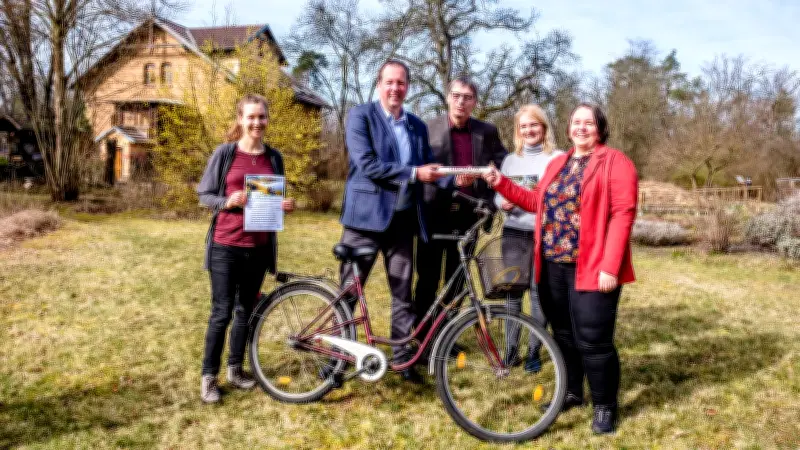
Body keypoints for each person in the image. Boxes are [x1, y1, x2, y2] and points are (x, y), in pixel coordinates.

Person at [481, 103, 638, 434]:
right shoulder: (560, 163)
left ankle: (605, 406)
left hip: (592, 267)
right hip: (552, 264)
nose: (581, 128)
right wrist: (500, 183)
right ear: (568, 129)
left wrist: (610, 267)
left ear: (600, 128)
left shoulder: (615, 162)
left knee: (593, 340)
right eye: (575, 122)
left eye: (588, 123)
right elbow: (537, 201)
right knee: (563, 336)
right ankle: (571, 392)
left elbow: (622, 215)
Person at [339, 59, 447, 383]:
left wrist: (455, 180)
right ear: (379, 84)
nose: (395, 88)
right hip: (364, 222)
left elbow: (430, 168)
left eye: (401, 83)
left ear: (408, 87)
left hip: (402, 223)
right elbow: (369, 165)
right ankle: (338, 361)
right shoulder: (361, 117)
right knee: (348, 293)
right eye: (389, 82)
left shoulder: (417, 125)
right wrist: (414, 173)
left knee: (403, 294)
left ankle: (402, 362)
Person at [196, 94, 295, 403]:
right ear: (240, 119)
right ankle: (208, 377)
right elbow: (204, 195)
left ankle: (235, 369)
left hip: (259, 247)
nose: (256, 123)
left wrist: (284, 205)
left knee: (245, 311)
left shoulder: (274, 157)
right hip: (226, 246)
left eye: (261, 117)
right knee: (221, 313)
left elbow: (271, 202)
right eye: (251, 117)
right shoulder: (225, 154)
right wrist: (228, 201)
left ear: (267, 120)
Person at [414, 76, 506, 338]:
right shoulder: (427, 128)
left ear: (475, 102)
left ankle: (446, 337)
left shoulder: (486, 132)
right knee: (428, 279)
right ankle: (422, 337)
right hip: (434, 215)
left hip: (468, 218)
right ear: (447, 98)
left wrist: (488, 187)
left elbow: (502, 165)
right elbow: (420, 169)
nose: (461, 102)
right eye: (456, 95)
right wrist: (450, 180)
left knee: (457, 280)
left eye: (467, 97)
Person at [495, 104, 563, 373]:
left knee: (538, 294)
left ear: (544, 127)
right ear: (518, 131)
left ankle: (534, 351)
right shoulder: (510, 160)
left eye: (533, 125)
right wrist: (502, 202)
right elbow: (499, 193)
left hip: (543, 234)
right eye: (523, 126)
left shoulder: (557, 158)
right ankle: (510, 351)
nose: (529, 130)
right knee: (512, 293)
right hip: (513, 232)